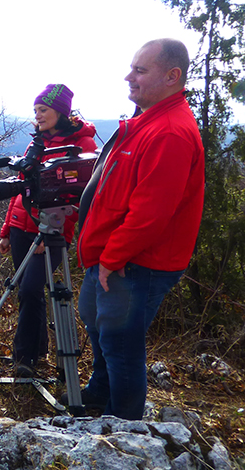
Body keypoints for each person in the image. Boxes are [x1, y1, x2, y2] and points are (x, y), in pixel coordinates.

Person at [73, 39, 204, 419]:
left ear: (172, 76)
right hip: (112, 255)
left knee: (120, 341)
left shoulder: (169, 132)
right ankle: (100, 393)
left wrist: (112, 259)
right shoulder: (145, 123)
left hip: (138, 261)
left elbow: (151, 213)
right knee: (98, 324)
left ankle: (123, 423)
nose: (129, 77)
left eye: (140, 71)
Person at [0, 84, 97, 378]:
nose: (38, 116)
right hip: (20, 226)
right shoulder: (37, 143)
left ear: (61, 112)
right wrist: (6, 229)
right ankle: (32, 354)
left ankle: (25, 356)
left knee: (30, 289)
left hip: (52, 233)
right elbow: (20, 187)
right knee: (28, 293)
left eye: (43, 110)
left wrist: (50, 232)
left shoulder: (84, 146)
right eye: (36, 111)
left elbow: (78, 197)